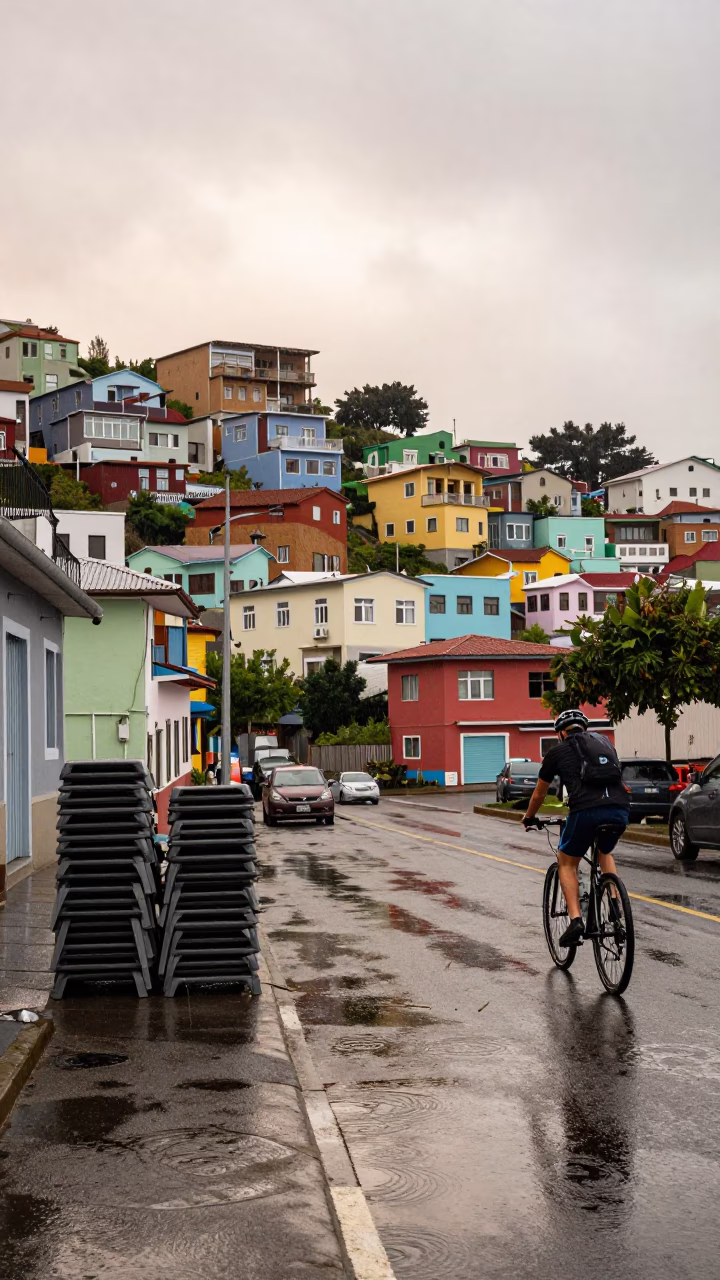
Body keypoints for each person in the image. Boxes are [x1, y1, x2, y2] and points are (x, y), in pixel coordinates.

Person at [523, 709, 630, 947]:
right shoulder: (604, 742)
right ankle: (614, 903)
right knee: (604, 851)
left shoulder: (557, 752)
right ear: (584, 728)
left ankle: (576, 920)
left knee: (567, 862)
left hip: (585, 810)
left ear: (561, 733)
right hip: (620, 808)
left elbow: (540, 793)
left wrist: (529, 817)